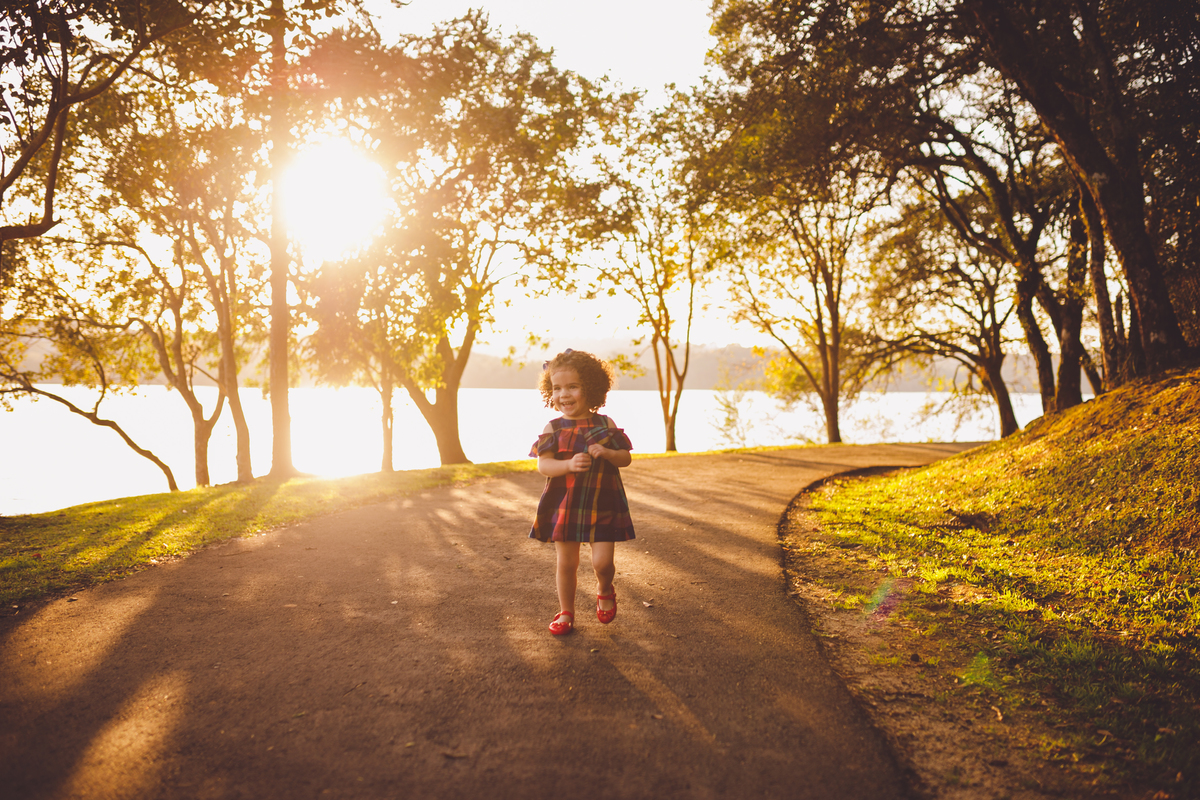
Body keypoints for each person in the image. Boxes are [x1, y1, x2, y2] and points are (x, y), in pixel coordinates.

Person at [529, 349, 635, 635]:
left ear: (591, 387)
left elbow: (625, 458)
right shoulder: (553, 427)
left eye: (572, 386)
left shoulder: (605, 424)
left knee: (602, 562)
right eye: (557, 388)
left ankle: (604, 587)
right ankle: (566, 612)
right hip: (566, 504)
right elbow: (544, 465)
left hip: (602, 502)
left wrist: (609, 453)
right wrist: (568, 465)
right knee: (567, 563)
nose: (564, 394)